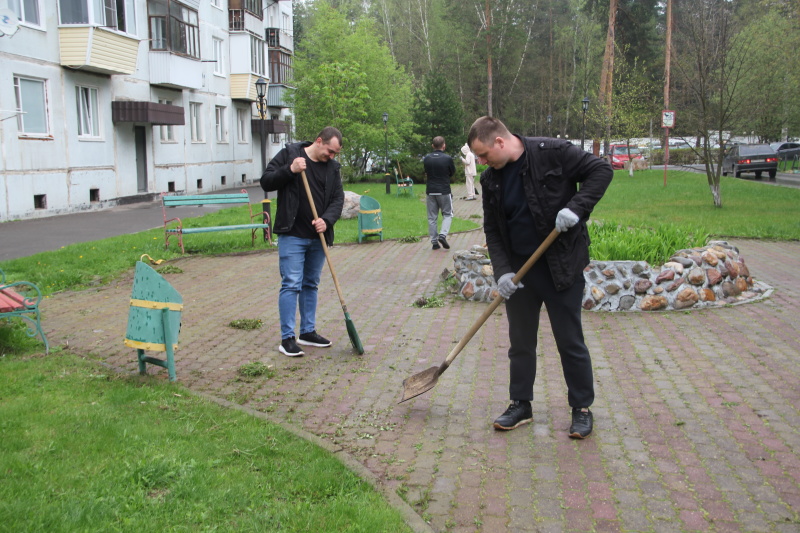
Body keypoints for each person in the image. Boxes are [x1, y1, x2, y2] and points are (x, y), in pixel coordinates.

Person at [467, 116, 612, 438]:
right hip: (520, 273)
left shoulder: (553, 152)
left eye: (484, 154)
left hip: (561, 266)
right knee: (520, 343)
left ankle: (581, 408)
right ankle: (521, 404)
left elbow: (601, 170)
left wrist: (577, 207)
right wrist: (503, 272)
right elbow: (492, 229)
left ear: (500, 142)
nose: (481, 162)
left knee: (569, 340)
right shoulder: (491, 180)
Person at [260, 127, 345, 357]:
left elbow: (338, 199)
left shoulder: (333, 168)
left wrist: (326, 221)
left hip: (318, 237)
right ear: (319, 141)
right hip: (292, 234)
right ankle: (287, 338)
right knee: (291, 283)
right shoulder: (290, 154)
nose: (331, 156)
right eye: (330, 151)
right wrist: (290, 170)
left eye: (335, 153)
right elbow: (266, 182)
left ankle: (307, 332)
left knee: (311, 283)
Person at [423, 136, 456, 250]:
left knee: (432, 217)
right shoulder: (447, 158)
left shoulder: (427, 158)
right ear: (444, 145)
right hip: (444, 190)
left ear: (433, 146)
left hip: (430, 191)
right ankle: (443, 234)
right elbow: (452, 172)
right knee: (447, 214)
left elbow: (426, 172)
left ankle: (434, 242)